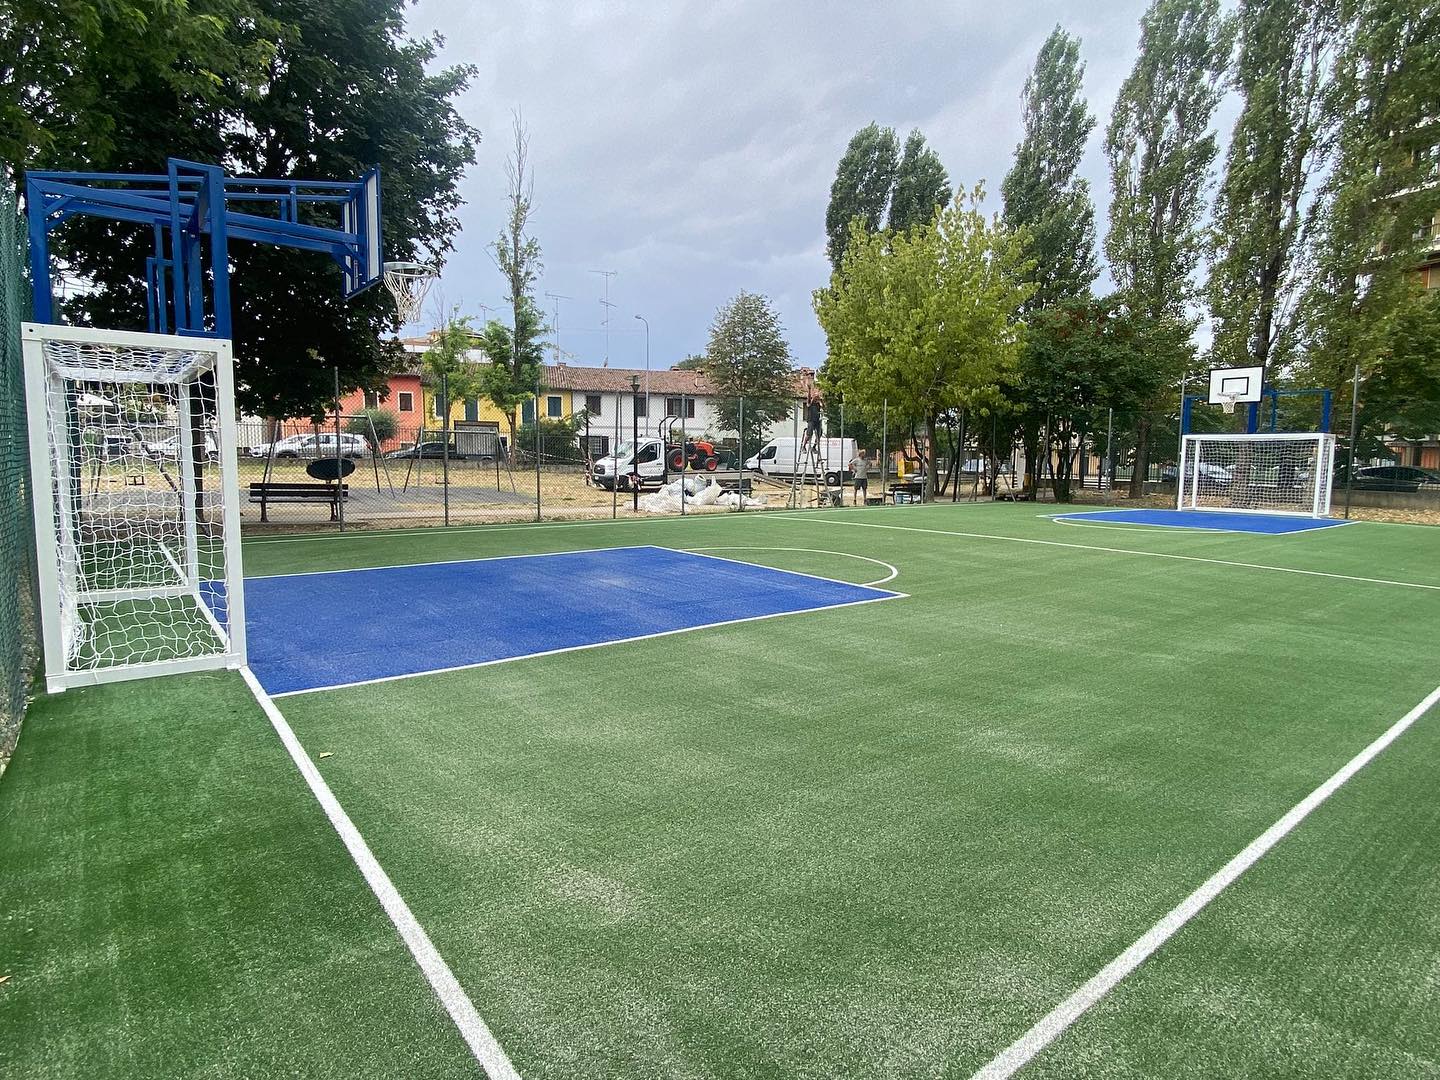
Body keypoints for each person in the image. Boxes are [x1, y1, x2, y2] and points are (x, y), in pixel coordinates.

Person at [801, 385, 822, 455]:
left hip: (817, 421)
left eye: (817, 398)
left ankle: (814, 447)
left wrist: (821, 400)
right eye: (815, 398)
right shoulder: (810, 404)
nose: (816, 399)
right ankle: (803, 446)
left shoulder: (818, 404)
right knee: (809, 433)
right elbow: (809, 398)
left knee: (819, 433)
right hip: (811, 420)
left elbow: (824, 407)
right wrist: (809, 390)